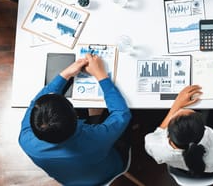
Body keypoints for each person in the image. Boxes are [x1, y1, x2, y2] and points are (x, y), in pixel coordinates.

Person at [19, 53, 132, 185]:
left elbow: (35, 104)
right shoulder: (96, 140)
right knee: (129, 121)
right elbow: (121, 114)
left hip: (70, 180)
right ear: (75, 116)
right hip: (111, 171)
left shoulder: (25, 140)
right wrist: (101, 75)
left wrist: (65, 74)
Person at [144, 62, 213, 176]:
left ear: (168, 134)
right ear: (205, 129)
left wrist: (176, 105)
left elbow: (158, 131)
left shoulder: (154, 145)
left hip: (180, 169)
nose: (181, 110)